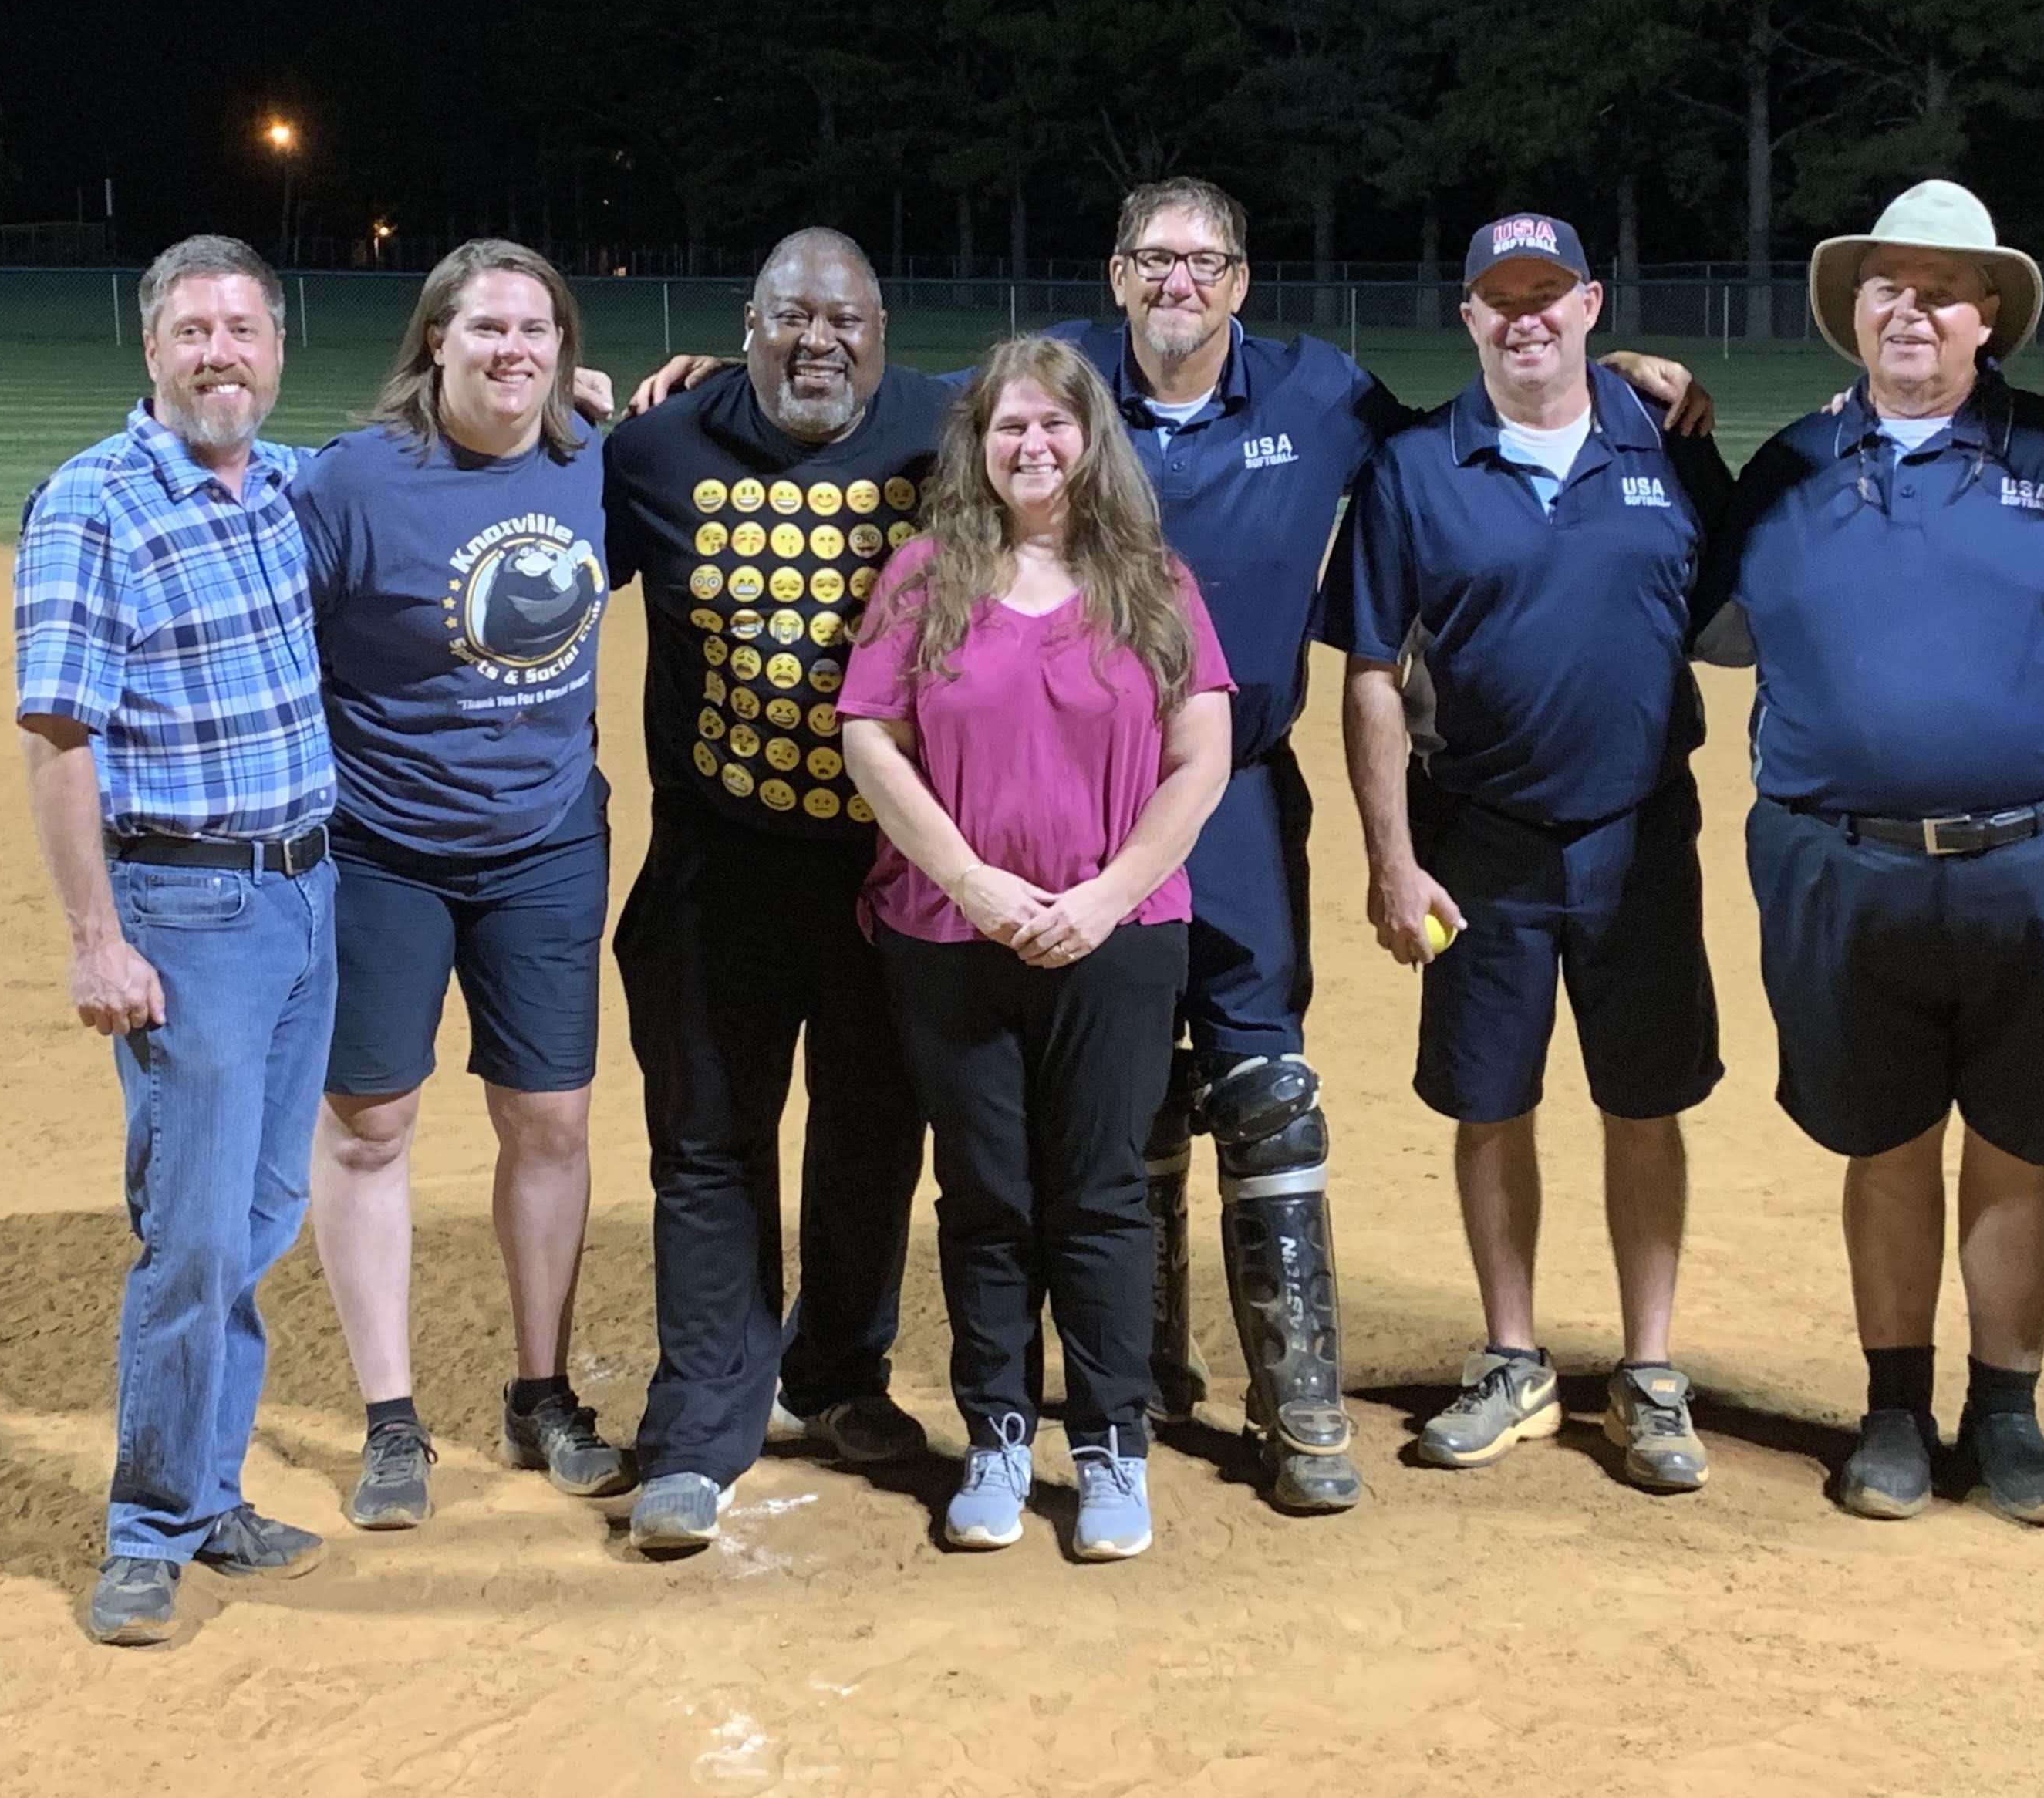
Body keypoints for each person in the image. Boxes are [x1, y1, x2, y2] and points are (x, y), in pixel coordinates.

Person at [632, 177, 1712, 1514]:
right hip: (1061, 799)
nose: (1178, 283)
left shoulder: (1320, 394)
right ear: (1119, 273)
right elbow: (883, 386)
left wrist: (1610, 374)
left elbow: (1480, 417)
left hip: (1235, 787)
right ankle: (1132, 1374)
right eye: (1153, 260)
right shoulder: (1059, 383)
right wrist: (713, 383)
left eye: (1204, 262)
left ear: (1241, 281)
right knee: (1100, 1089)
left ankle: (1296, 1393)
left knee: (1263, 1085)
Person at [1696, 180, 2044, 1526]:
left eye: (1943, 288)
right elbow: (1699, 620)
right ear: (1853, 311)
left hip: (2038, 858)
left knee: (2016, 1144)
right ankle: (1892, 1412)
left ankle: (2005, 1420)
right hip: (1838, 862)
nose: (1911, 308)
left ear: (1988, 315)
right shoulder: (1788, 466)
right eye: (1886, 284)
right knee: (1883, 1142)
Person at [1321, 212, 1722, 1489]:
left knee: (1642, 1100)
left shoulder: (1665, 441)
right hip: (1477, 837)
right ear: (1469, 319)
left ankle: (1650, 1371)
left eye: (1547, 293)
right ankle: (1511, 1358)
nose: (1525, 317)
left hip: (1639, 828)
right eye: (1500, 298)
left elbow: (1764, 604)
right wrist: (1390, 859)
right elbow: (1374, 674)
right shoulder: (1414, 465)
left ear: (1592, 303)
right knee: (1491, 1103)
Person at [839, 333, 1234, 1561]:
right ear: (979, 444)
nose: (1032, 446)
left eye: (1054, 426)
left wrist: (1107, 896)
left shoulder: (1151, 581)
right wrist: (969, 880)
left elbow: (1200, 757)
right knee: (988, 1196)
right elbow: (871, 740)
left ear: (1090, 442)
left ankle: (1110, 1444)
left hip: (1115, 940)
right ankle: (999, 1435)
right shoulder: (922, 575)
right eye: (1009, 427)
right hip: (953, 935)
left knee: (1101, 1196)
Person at [601, 228, 961, 1554]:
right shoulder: (654, 451)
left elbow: (1083, 416)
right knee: (709, 1143)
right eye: (791, 318)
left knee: (872, 1135)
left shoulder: (955, 423)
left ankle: (838, 1376)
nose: (821, 341)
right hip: (716, 866)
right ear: (745, 326)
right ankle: (701, 1425)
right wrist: (594, 400)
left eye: (847, 318)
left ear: (884, 325)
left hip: (888, 866)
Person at [15, 235, 339, 1644]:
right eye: (195, 331)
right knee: (195, 1236)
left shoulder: (280, 483)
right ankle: (148, 1527)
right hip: (187, 914)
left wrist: (575, 386)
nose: (221, 353)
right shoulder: (95, 503)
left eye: (244, 330)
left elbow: (434, 444)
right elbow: (59, 741)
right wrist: (97, 940)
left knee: (260, 1218)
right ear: (151, 350)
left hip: (306, 899)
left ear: (276, 349)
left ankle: (210, 1496)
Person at [291, 239, 629, 1531]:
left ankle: (541, 1392)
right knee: (371, 1125)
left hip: (545, 843)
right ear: (434, 340)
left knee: (548, 1121)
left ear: (562, 349)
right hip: (382, 846)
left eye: (536, 330)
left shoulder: (591, 455)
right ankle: (389, 1419)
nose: (513, 352)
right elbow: (284, 645)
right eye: (486, 327)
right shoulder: (356, 482)